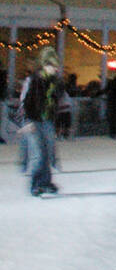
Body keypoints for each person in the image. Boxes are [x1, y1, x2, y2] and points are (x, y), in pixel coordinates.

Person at [15, 46, 71, 196]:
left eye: (56, 66)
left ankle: (46, 182)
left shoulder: (56, 83)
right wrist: (27, 121)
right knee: (38, 153)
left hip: (47, 121)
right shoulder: (34, 80)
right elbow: (26, 101)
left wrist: (59, 122)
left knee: (47, 152)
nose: (55, 69)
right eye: (52, 66)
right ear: (45, 65)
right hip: (33, 120)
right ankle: (36, 183)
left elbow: (59, 104)